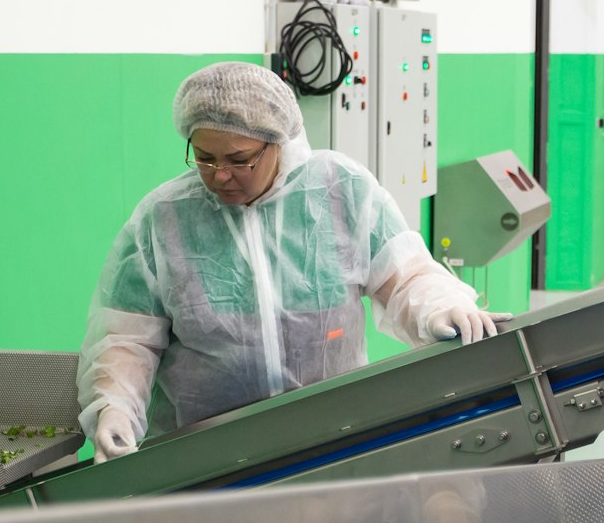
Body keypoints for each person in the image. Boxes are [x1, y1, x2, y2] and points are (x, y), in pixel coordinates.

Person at [78, 61, 500, 460]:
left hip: (335, 439)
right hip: (205, 455)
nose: (220, 175)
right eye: (205, 157)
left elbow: (405, 276)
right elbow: (127, 338)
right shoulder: (165, 217)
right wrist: (114, 407)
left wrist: (441, 306)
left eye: (239, 160)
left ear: (279, 142)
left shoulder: (339, 190)